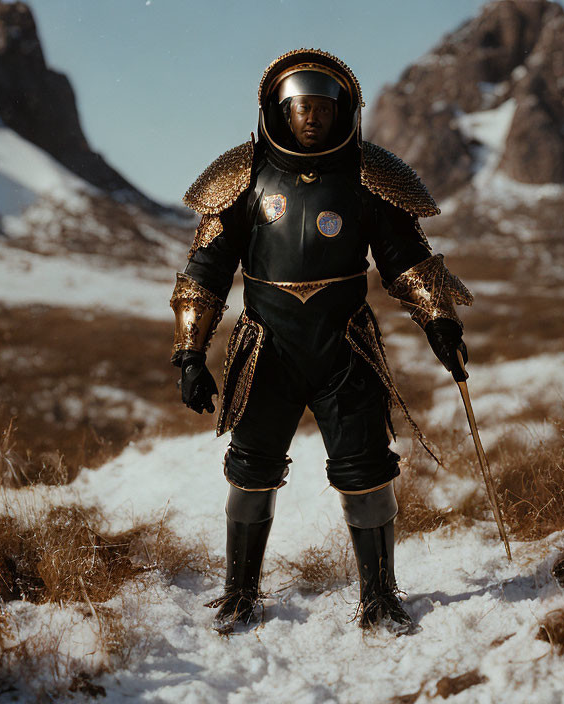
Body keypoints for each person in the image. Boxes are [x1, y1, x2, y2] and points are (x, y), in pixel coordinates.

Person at [170, 49, 473, 633]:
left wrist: (439, 321)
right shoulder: (244, 176)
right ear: (277, 111)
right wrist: (189, 353)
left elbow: (406, 260)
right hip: (266, 350)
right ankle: (239, 592)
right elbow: (204, 272)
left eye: (323, 107)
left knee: (368, 471)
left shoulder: (367, 175)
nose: (311, 118)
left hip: (346, 348)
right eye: (300, 107)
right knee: (250, 470)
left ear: (344, 111)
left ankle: (380, 596)